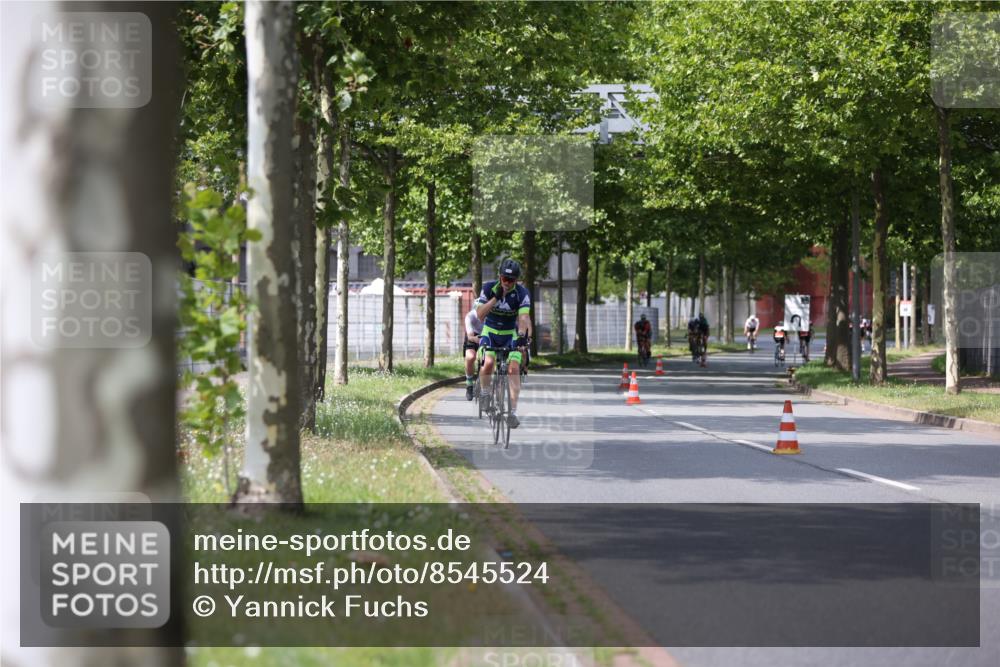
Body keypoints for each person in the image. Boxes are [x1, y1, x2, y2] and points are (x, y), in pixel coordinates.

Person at [475, 259, 532, 428]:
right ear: (499, 277)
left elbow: (523, 318)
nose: (507, 283)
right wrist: (495, 298)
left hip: (510, 334)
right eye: (504, 279)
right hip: (490, 332)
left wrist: (522, 336)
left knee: (514, 368)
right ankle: (485, 393)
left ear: (516, 280)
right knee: (489, 362)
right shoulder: (488, 288)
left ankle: (512, 413)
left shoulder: (522, 293)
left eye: (511, 280)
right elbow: (479, 315)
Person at [463, 308, 484, 400]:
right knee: (471, 357)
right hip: (473, 335)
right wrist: (476, 339)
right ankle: (469, 385)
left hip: (487, 335)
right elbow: (470, 336)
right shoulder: (470, 316)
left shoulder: (493, 312)